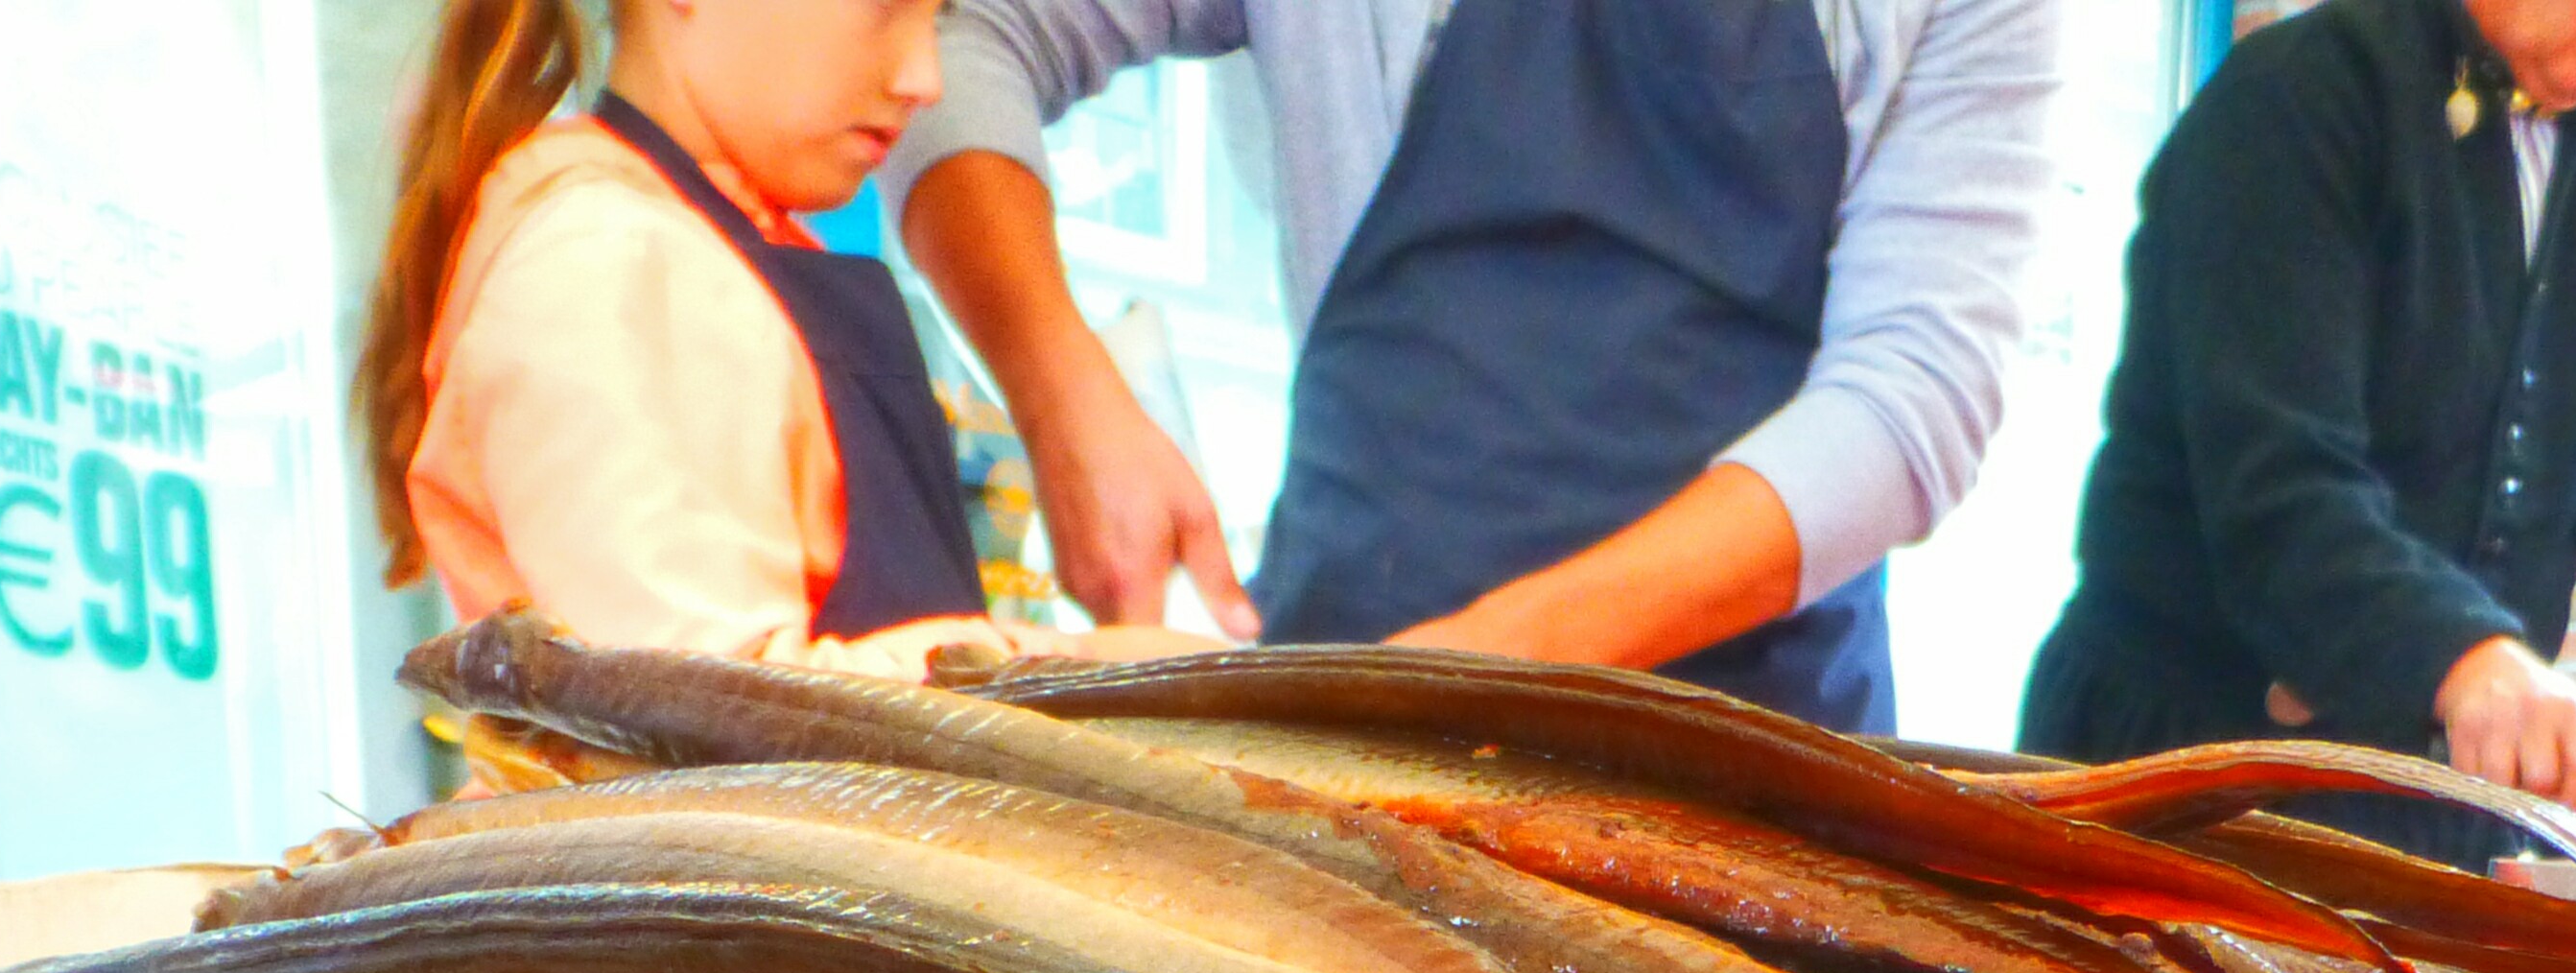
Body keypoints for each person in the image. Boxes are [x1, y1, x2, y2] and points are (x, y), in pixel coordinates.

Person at [878, 0, 2054, 732]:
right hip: (1354, 697)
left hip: (1755, 749)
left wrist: (1491, 663)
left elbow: (1917, 389)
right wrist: (1059, 384)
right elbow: (972, 37)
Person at [2018, 0, 2576, 846]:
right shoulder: (2303, 90)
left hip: (2443, 813)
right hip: (2183, 778)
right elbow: (2276, 476)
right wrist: (2463, 657)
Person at [356, 0, 1191, 679]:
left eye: (935, 17)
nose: (923, 77)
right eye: (887, 11)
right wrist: (1081, 673)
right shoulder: (607, 262)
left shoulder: (736, 249)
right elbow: (704, 714)